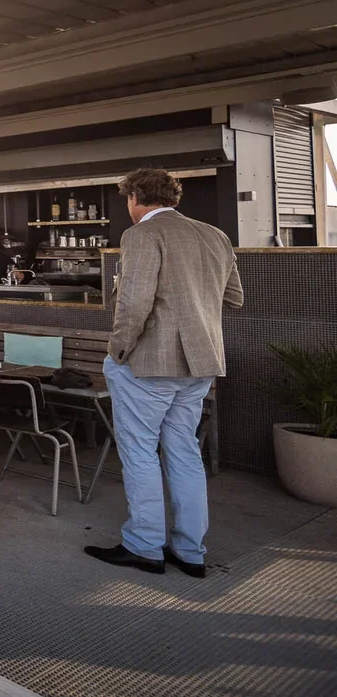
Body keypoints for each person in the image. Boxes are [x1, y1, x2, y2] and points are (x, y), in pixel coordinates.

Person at [86, 169, 243, 577]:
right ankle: (191, 551)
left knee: (139, 453)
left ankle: (144, 546)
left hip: (149, 363)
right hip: (201, 362)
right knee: (185, 454)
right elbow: (234, 297)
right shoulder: (215, 235)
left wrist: (118, 350)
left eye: (127, 200)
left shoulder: (141, 235)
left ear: (136, 197)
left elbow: (134, 304)